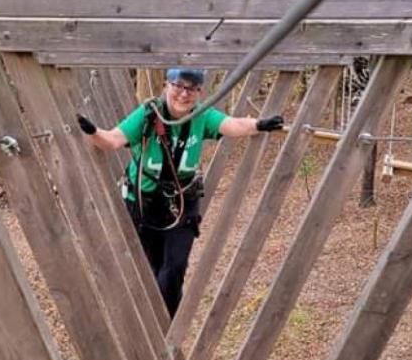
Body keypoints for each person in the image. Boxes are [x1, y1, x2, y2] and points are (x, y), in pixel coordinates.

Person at [77, 67, 283, 317]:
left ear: (199, 92)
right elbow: (112, 140)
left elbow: (232, 124)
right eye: (179, 86)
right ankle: (150, 322)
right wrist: (92, 131)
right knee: (149, 268)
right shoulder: (148, 114)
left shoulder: (202, 116)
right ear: (167, 86)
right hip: (143, 202)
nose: (184, 94)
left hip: (181, 202)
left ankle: (168, 324)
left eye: (192, 89)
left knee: (174, 268)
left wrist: (259, 124)